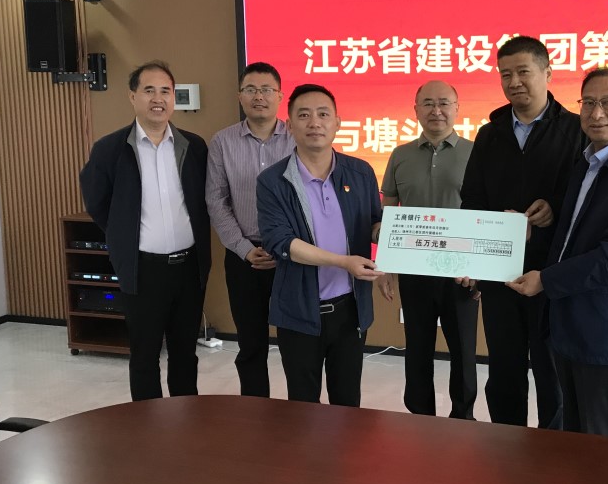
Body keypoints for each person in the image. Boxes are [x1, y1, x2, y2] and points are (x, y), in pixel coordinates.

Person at [508, 67, 608, 439]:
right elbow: (573, 238)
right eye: (589, 103)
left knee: (606, 454)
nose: (597, 113)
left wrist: (545, 280)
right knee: (576, 448)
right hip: (571, 329)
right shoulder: (585, 163)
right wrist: (533, 225)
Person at [459, 35, 584, 429]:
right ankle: (506, 448)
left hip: (553, 274)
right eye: (505, 74)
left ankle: (553, 451)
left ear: (548, 73)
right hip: (500, 274)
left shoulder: (577, 130)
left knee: (553, 372)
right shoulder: (490, 134)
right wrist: (483, 244)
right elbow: (472, 201)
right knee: (504, 370)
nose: (514, 82)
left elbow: (589, 200)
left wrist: (555, 208)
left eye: (523, 72)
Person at [80, 60, 210, 401]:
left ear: (173, 98)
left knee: (185, 353)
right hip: (142, 269)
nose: (158, 99)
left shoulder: (193, 146)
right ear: (132, 96)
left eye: (165, 91)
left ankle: (186, 418)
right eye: (149, 90)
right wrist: (124, 234)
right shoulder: (109, 150)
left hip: (188, 268)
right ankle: (148, 425)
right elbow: (96, 203)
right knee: (144, 356)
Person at [256, 84, 393, 406]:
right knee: (303, 405)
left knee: (347, 402)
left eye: (323, 114)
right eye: (304, 115)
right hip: (299, 311)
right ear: (290, 125)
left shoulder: (360, 172)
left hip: (350, 310)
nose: (314, 123)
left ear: (338, 123)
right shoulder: (273, 181)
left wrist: (388, 237)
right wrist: (343, 261)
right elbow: (281, 243)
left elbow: (374, 222)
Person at [380, 80, 479, 419]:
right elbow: (389, 212)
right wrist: (385, 264)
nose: (436, 110)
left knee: (464, 352)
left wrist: (483, 271)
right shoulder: (400, 155)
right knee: (417, 349)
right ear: (416, 110)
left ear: (457, 108)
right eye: (428, 103)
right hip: (414, 272)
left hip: (461, 275)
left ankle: (463, 418)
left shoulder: (477, 153)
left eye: (444, 103)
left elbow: (489, 214)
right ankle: (420, 418)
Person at [206, 62, 295, 397]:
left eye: (267, 89)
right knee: (251, 343)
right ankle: (256, 410)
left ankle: (299, 411)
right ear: (240, 96)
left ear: (280, 96)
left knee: (296, 343)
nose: (259, 96)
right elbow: (216, 201)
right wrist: (244, 249)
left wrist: (286, 245)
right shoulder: (223, 142)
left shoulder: (297, 139)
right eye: (251, 90)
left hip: (292, 256)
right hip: (244, 257)